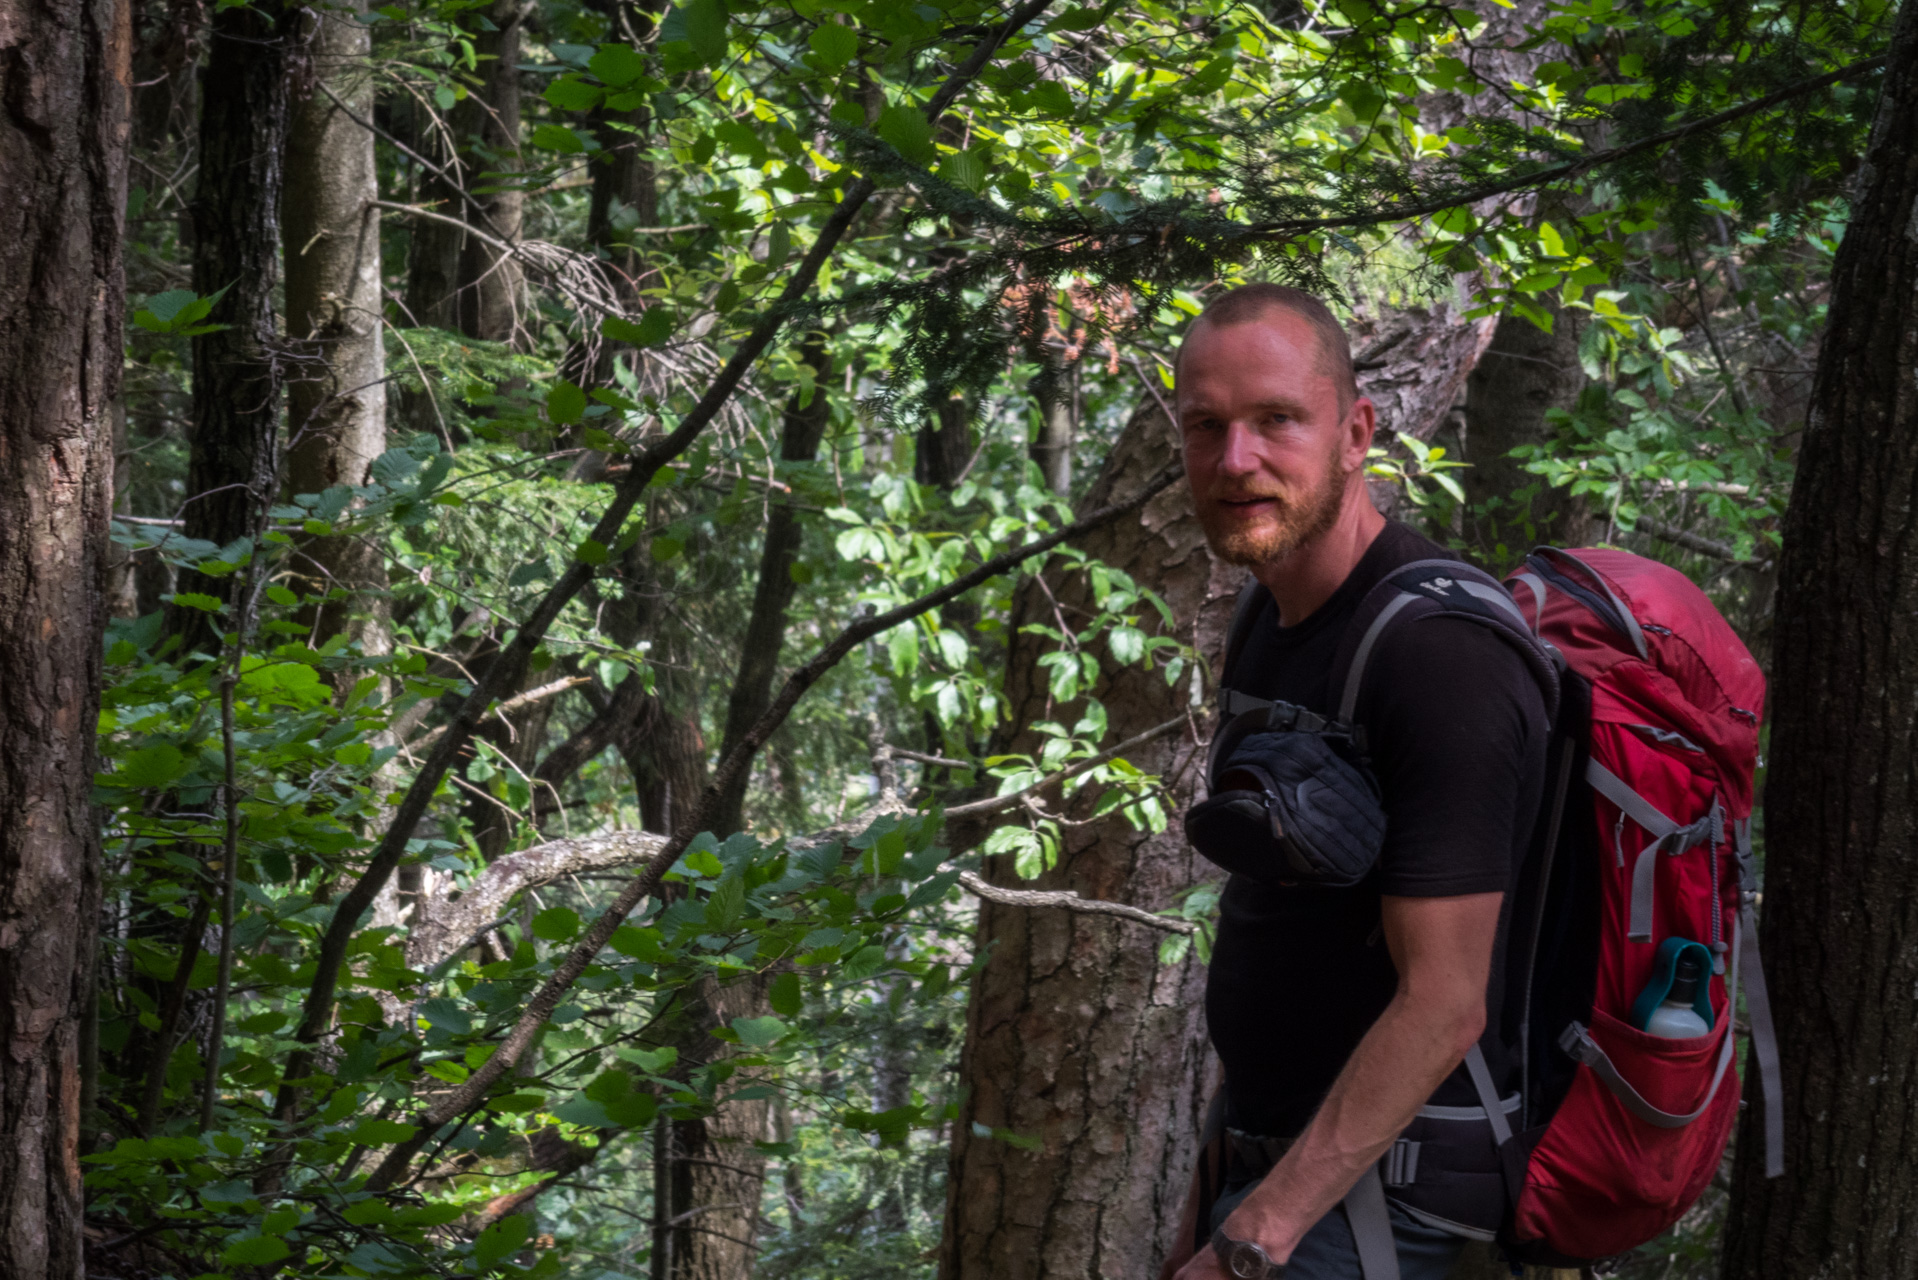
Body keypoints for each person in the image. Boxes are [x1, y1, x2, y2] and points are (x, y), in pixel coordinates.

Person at [1161, 285, 1549, 1280]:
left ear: (1355, 432)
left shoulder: (1438, 653)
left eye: (1276, 419)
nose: (1235, 460)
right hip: (1277, 1169)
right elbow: (1276, 926)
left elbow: (1444, 1000)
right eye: (1206, 425)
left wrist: (1254, 1237)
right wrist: (1211, 1200)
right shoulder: (1269, 615)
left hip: (1392, 1197)